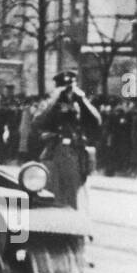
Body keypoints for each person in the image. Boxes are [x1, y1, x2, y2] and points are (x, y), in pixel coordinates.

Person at [33, 70, 101, 210]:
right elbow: (38, 123)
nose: (69, 93)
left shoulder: (80, 104)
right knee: (52, 194)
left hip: (75, 154)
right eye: (65, 89)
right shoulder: (49, 104)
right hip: (54, 153)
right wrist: (56, 102)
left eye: (71, 88)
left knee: (74, 196)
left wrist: (81, 101)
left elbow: (96, 122)